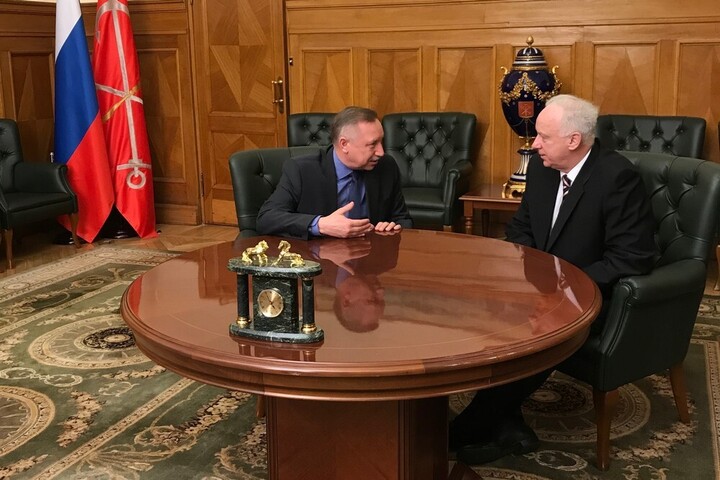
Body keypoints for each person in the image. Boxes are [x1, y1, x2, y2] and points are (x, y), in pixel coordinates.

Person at [451, 94, 657, 465]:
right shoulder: (543, 169)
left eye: (544, 137)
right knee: (481, 311)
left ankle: (471, 426)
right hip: (540, 286)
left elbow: (630, 257)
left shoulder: (617, 178)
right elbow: (521, 229)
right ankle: (508, 426)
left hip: (593, 296)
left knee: (534, 330)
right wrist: (524, 281)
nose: (534, 145)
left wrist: (563, 287)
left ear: (574, 140)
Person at [256, 106, 412, 239]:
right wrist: (320, 224)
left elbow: (403, 219)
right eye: (372, 144)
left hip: (371, 258)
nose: (381, 152)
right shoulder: (302, 171)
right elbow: (266, 219)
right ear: (344, 144)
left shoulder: (386, 166)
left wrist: (392, 228)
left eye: (381, 141)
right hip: (320, 258)